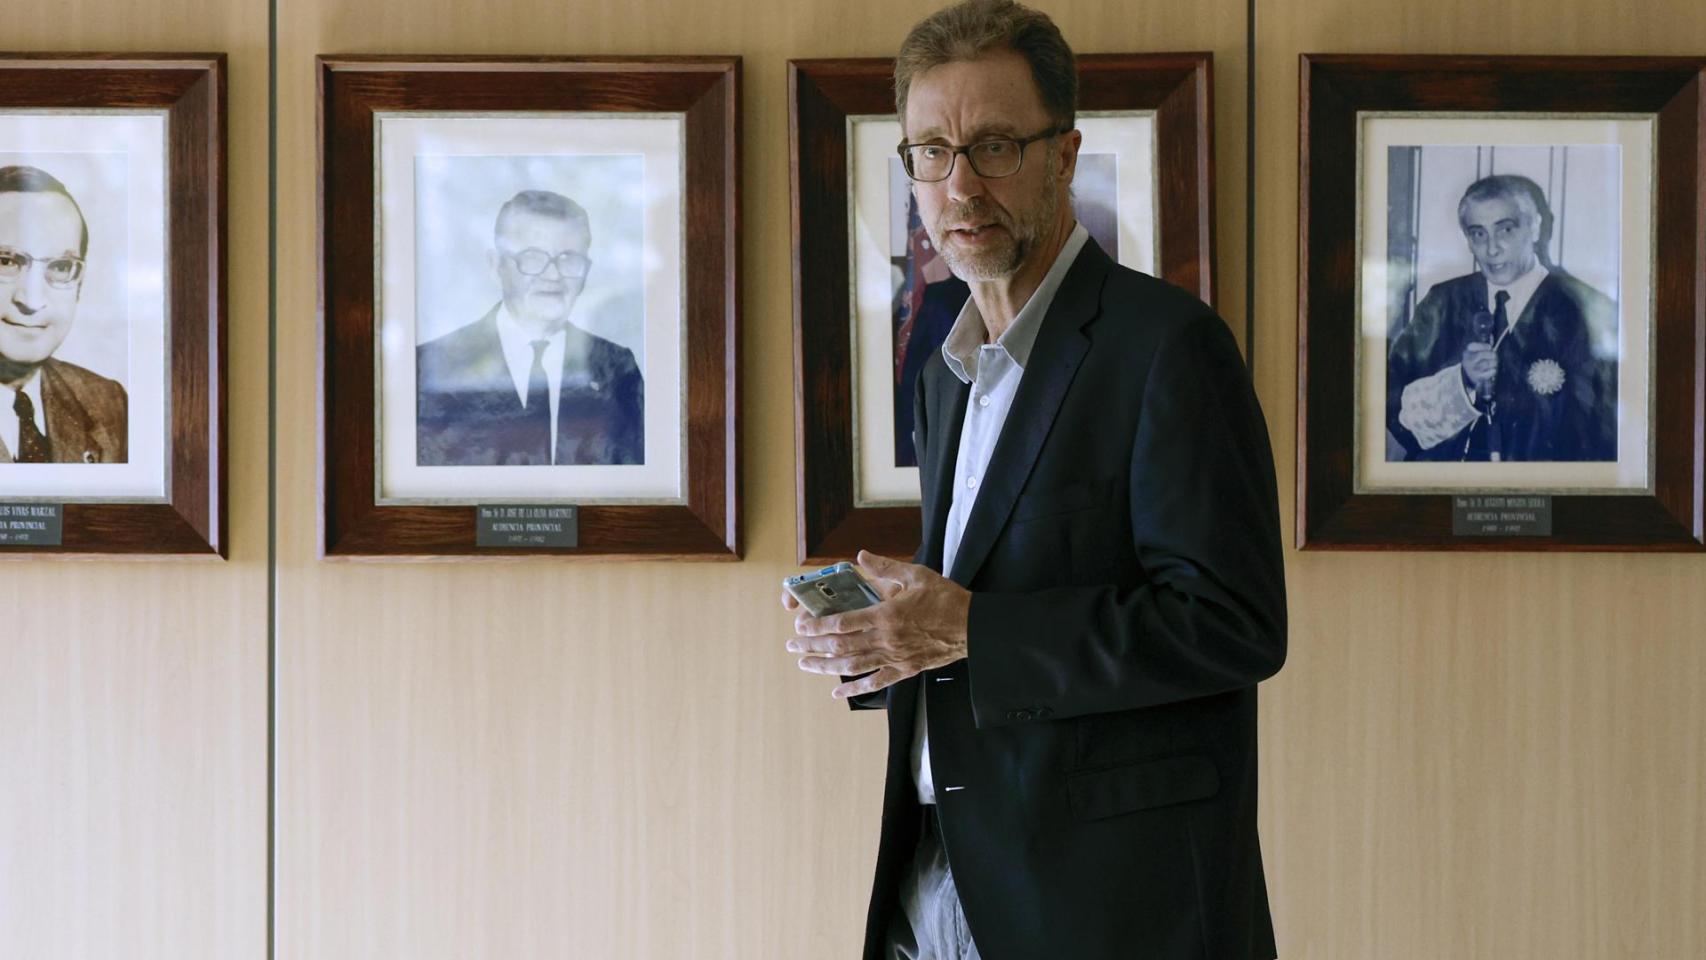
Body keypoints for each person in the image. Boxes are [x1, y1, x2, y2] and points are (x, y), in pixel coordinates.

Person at [782, 3, 1286, 957]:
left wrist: (964, 626)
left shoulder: (1168, 348)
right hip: (937, 882)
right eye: (930, 151)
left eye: (996, 145)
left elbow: (1232, 626)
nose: (960, 184)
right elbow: (985, 624)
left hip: (1109, 908)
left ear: (1065, 155)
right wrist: (887, 644)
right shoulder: (946, 374)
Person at [1386, 173, 1618, 462]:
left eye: (1505, 230)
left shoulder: (1588, 312)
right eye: (1478, 234)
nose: (1492, 249)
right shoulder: (1443, 302)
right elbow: (1387, 398)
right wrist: (1461, 382)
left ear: (1535, 227)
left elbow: (1605, 438)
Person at [416, 189, 644, 466]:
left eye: (569, 259)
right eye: (533, 258)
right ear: (496, 265)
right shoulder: (433, 366)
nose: (552, 275)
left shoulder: (617, 367)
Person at [0, 164, 127, 465]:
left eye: (59, 267)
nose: (31, 300)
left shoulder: (108, 402)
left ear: (79, 286)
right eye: (5, 261)